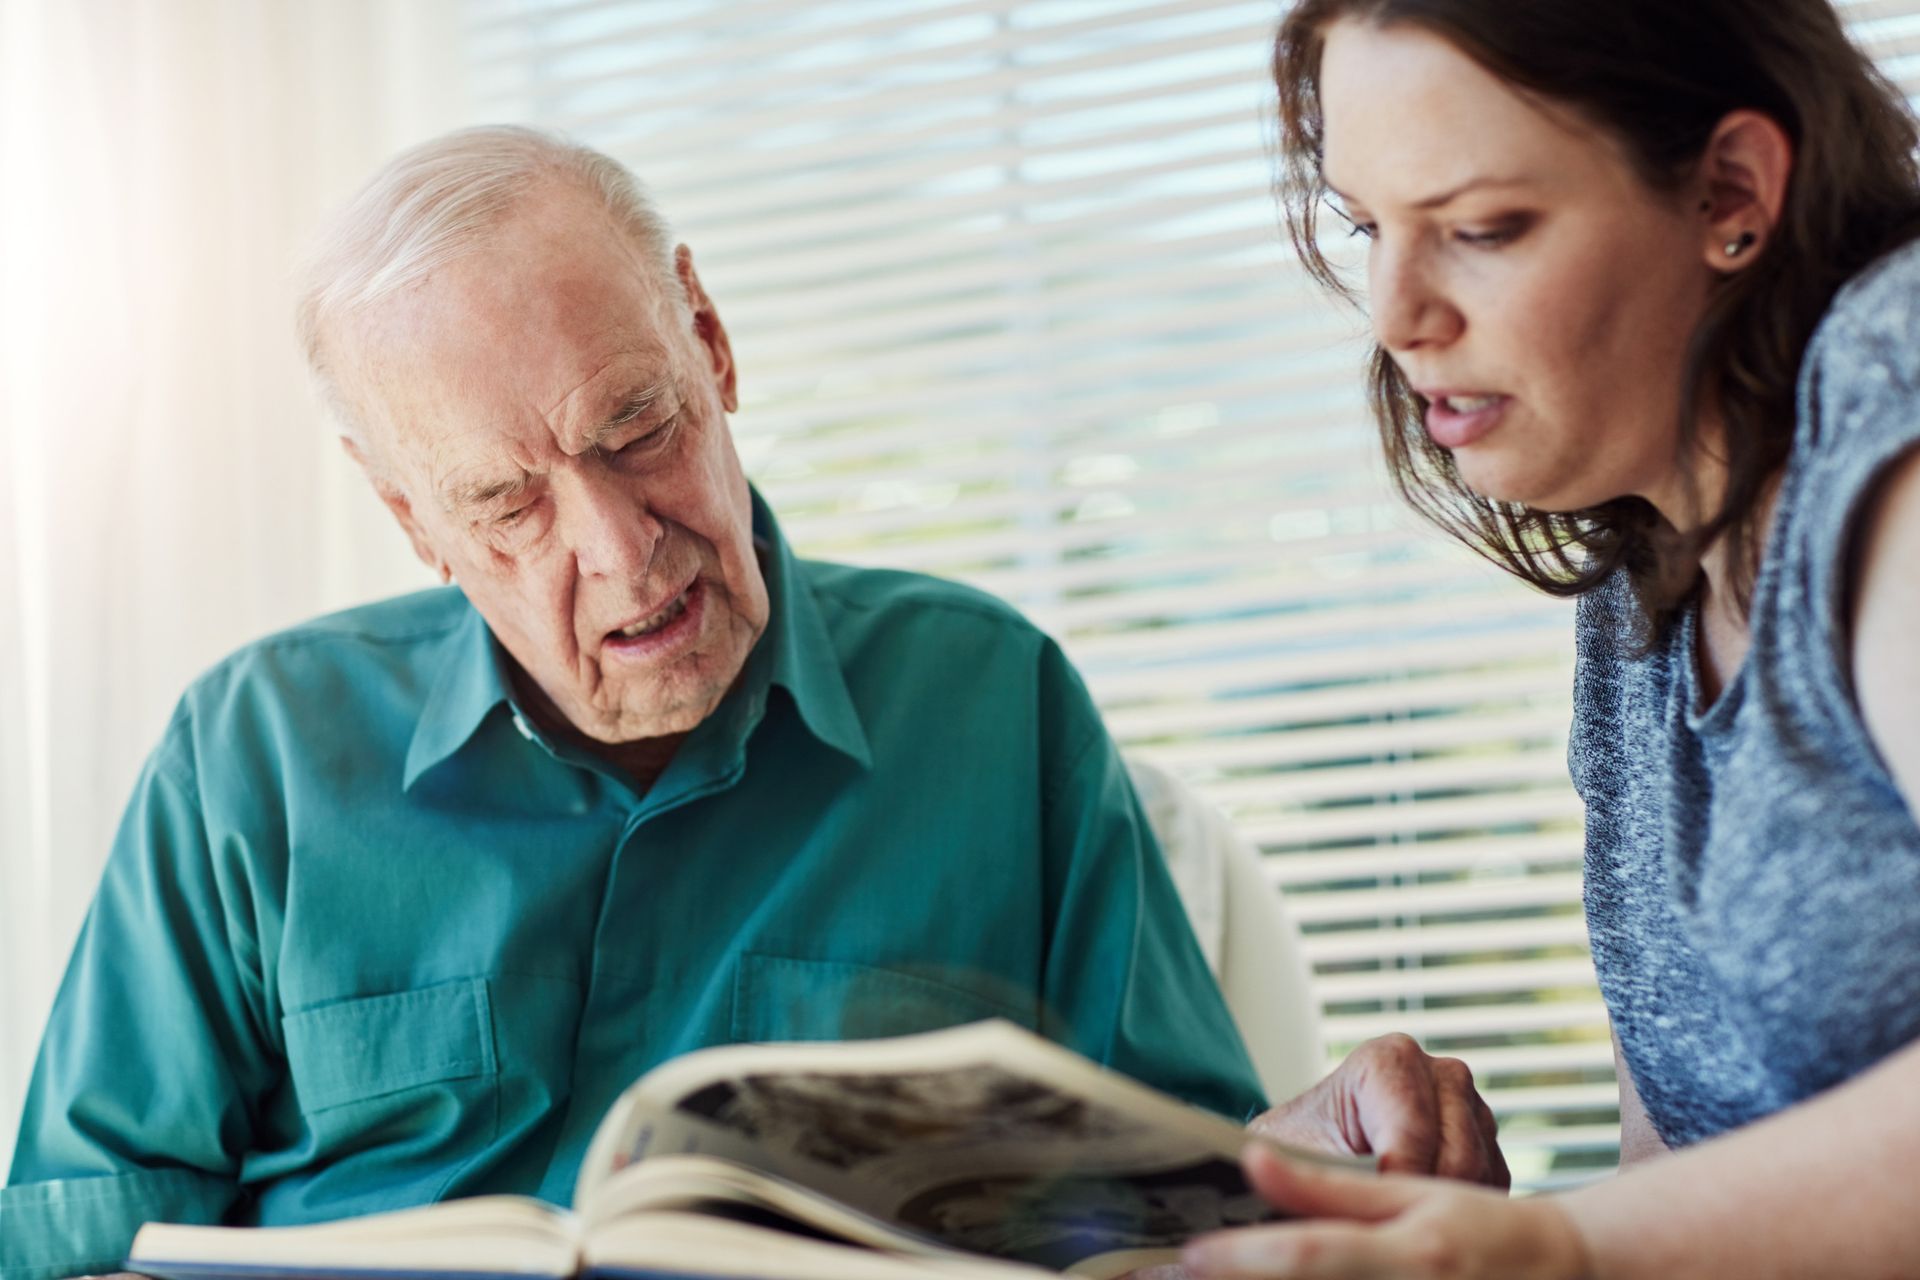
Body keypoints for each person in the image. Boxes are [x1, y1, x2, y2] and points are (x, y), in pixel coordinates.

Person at [0, 127, 1502, 1280]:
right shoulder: (248, 755)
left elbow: (1176, 1207)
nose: (618, 547)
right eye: (508, 503)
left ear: (708, 345)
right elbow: (78, 1242)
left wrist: (1330, 1151)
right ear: (414, 520)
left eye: (638, 427)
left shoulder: (991, 700)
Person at [1179, 1, 1920, 1276]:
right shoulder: (1637, 587)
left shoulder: (1890, 383)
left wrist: (1547, 1248)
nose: (1396, 314)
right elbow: (1686, 1179)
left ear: (1731, 191)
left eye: (1479, 229)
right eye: (1368, 227)